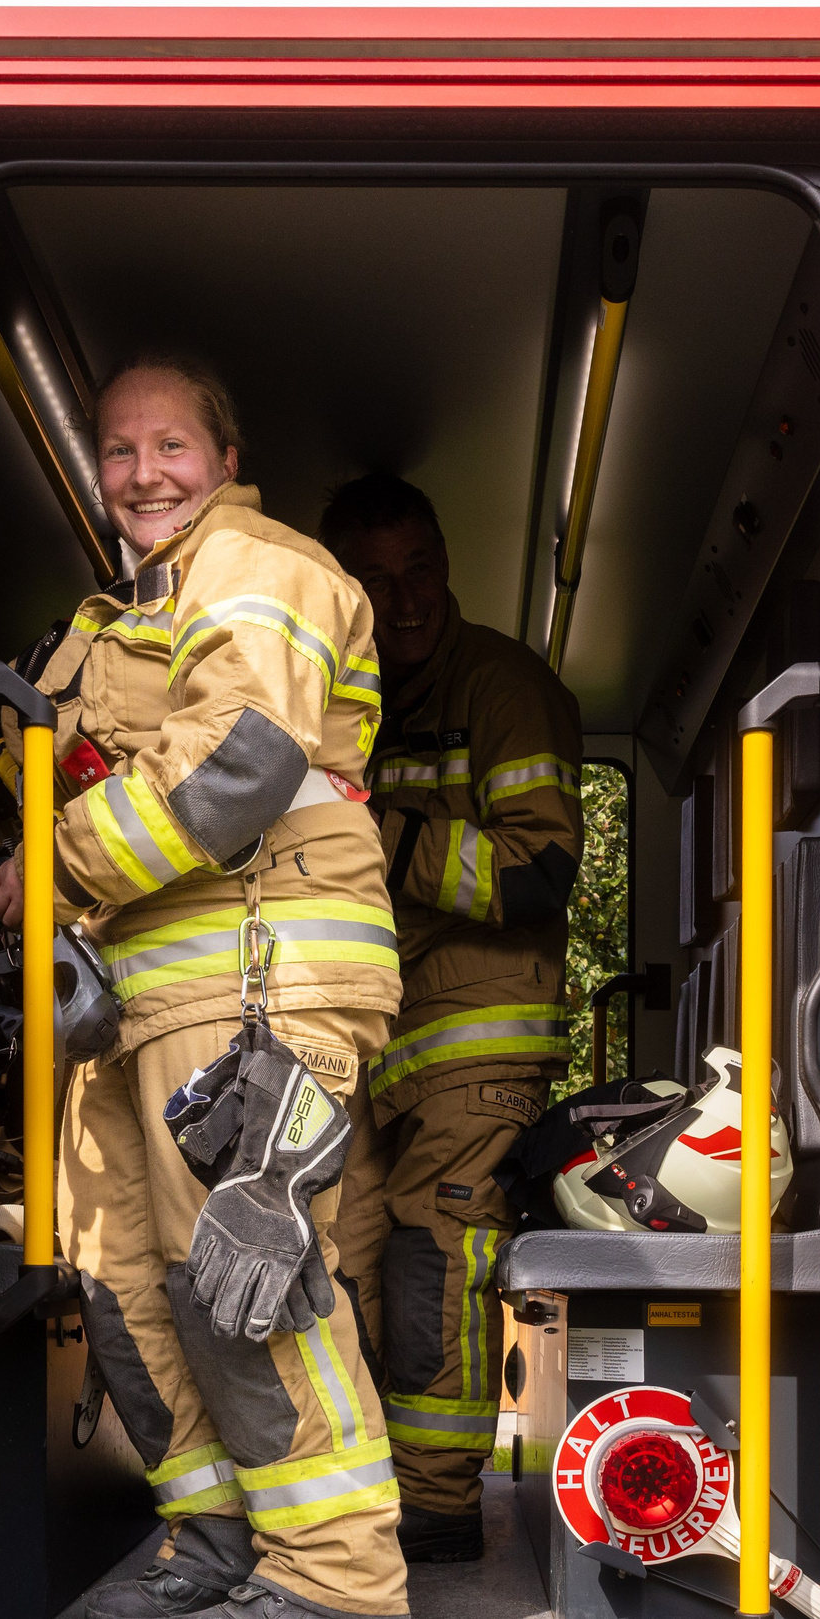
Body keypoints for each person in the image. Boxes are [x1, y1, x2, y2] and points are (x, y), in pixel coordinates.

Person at [0, 360, 408, 1619]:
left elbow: (244, 752)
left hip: (257, 971)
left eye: (171, 446)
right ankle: (216, 1541)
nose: (143, 473)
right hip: (141, 999)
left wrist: (47, 867)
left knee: (247, 1275)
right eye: (118, 452)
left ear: (225, 458)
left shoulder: (261, 564)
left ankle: (335, 1582)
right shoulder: (126, 606)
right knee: (124, 1277)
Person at [316, 473, 584, 1564]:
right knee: (351, 1256)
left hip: (478, 1041)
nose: (406, 597)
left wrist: (387, 832)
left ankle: (432, 1504)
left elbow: (540, 875)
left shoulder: (502, 685)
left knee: (438, 1260)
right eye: (375, 580)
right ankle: (373, 1482)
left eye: (419, 568)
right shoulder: (355, 695)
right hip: (381, 1041)